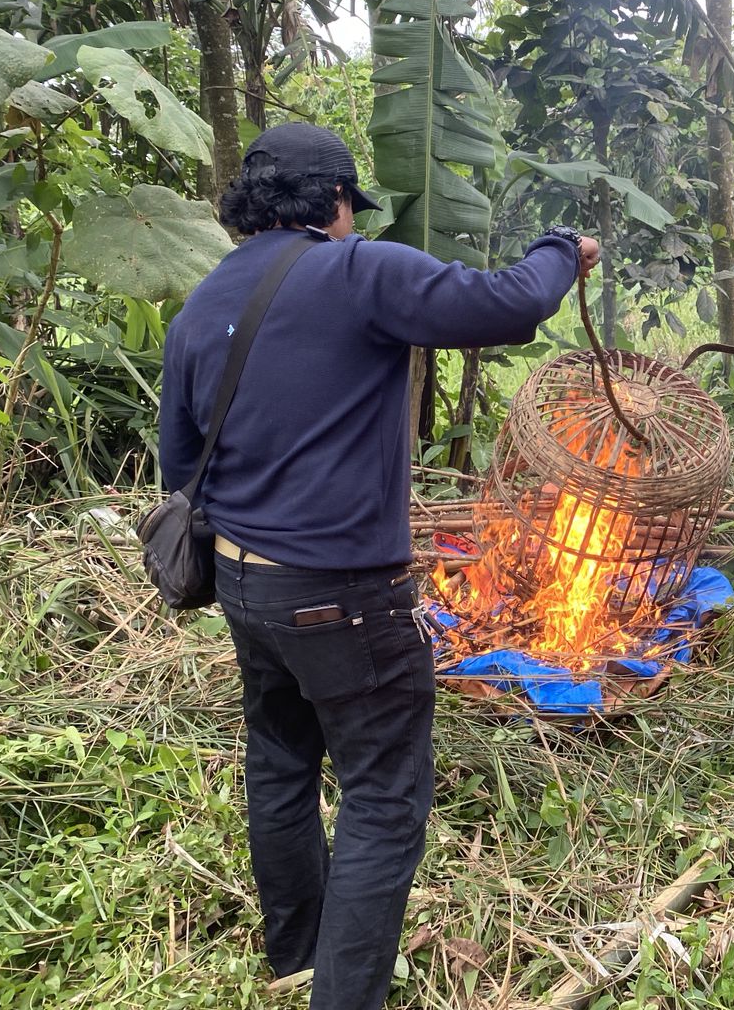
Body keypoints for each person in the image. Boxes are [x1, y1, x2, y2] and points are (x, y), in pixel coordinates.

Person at [159, 122, 598, 1010]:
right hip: (343, 597)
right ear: (334, 201)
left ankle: (296, 955)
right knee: (384, 797)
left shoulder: (203, 301)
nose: (354, 220)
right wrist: (563, 249)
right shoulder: (358, 272)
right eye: (351, 206)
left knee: (280, 759)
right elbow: (510, 304)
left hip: (242, 582)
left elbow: (179, 465)